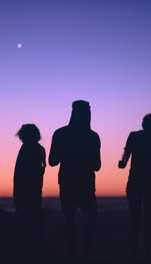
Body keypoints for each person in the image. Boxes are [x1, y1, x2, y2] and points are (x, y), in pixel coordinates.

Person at [49, 100, 101, 260]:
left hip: (67, 180)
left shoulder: (60, 133)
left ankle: (71, 254)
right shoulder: (92, 136)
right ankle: (87, 255)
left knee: (69, 221)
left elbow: (52, 161)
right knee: (89, 221)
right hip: (86, 182)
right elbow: (97, 165)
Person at [118, 112, 151, 261]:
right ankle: (145, 252)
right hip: (149, 182)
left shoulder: (135, 136)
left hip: (136, 181)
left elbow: (126, 156)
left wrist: (123, 163)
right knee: (147, 219)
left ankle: (136, 251)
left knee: (136, 218)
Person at [13, 124, 46, 228]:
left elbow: (23, 171)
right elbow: (43, 167)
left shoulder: (29, 148)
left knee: (27, 219)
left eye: (22, 135)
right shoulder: (40, 148)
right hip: (35, 188)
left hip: (26, 189)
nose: (20, 137)